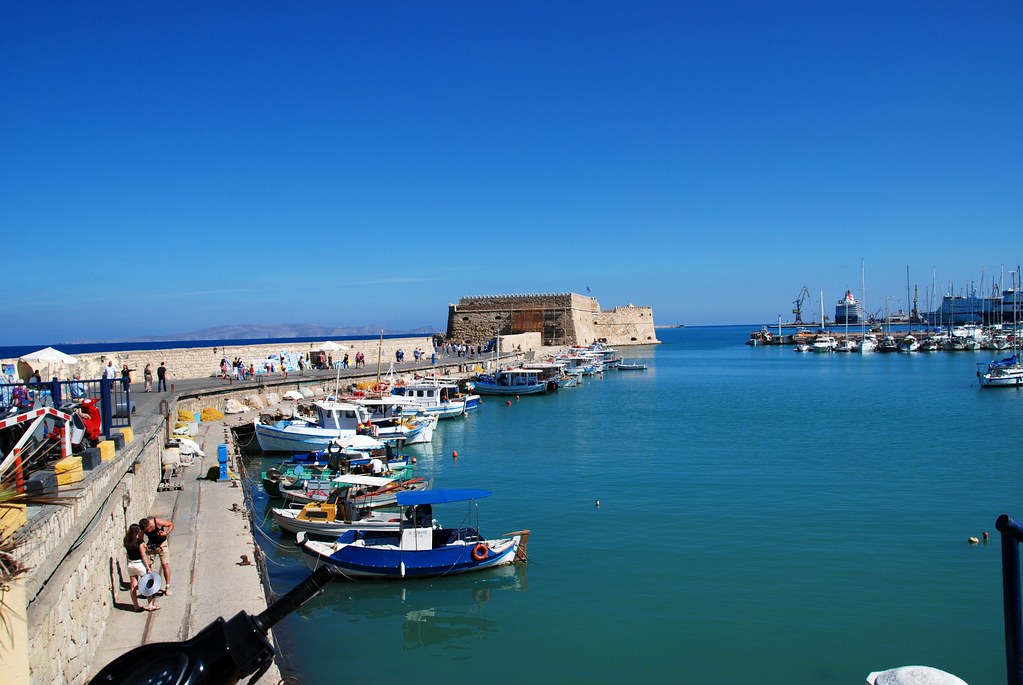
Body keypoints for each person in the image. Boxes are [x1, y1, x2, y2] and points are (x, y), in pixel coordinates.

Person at [124, 524, 159, 612]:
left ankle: (136, 606)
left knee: (133, 586)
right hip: (139, 564)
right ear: (137, 531)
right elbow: (143, 555)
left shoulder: (126, 541)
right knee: (148, 584)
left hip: (131, 564)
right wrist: (148, 567)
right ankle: (150, 605)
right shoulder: (139, 541)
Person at [140, 515, 174, 596]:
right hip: (152, 545)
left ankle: (168, 586)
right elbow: (141, 539)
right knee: (148, 565)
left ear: (149, 524)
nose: (147, 531)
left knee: (165, 564)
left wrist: (166, 533)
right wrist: (144, 545)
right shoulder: (142, 529)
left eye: (148, 529)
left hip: (162, 544)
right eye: (145, 530)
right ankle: (151, 585)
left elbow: (171, 525)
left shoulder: (157, 522)